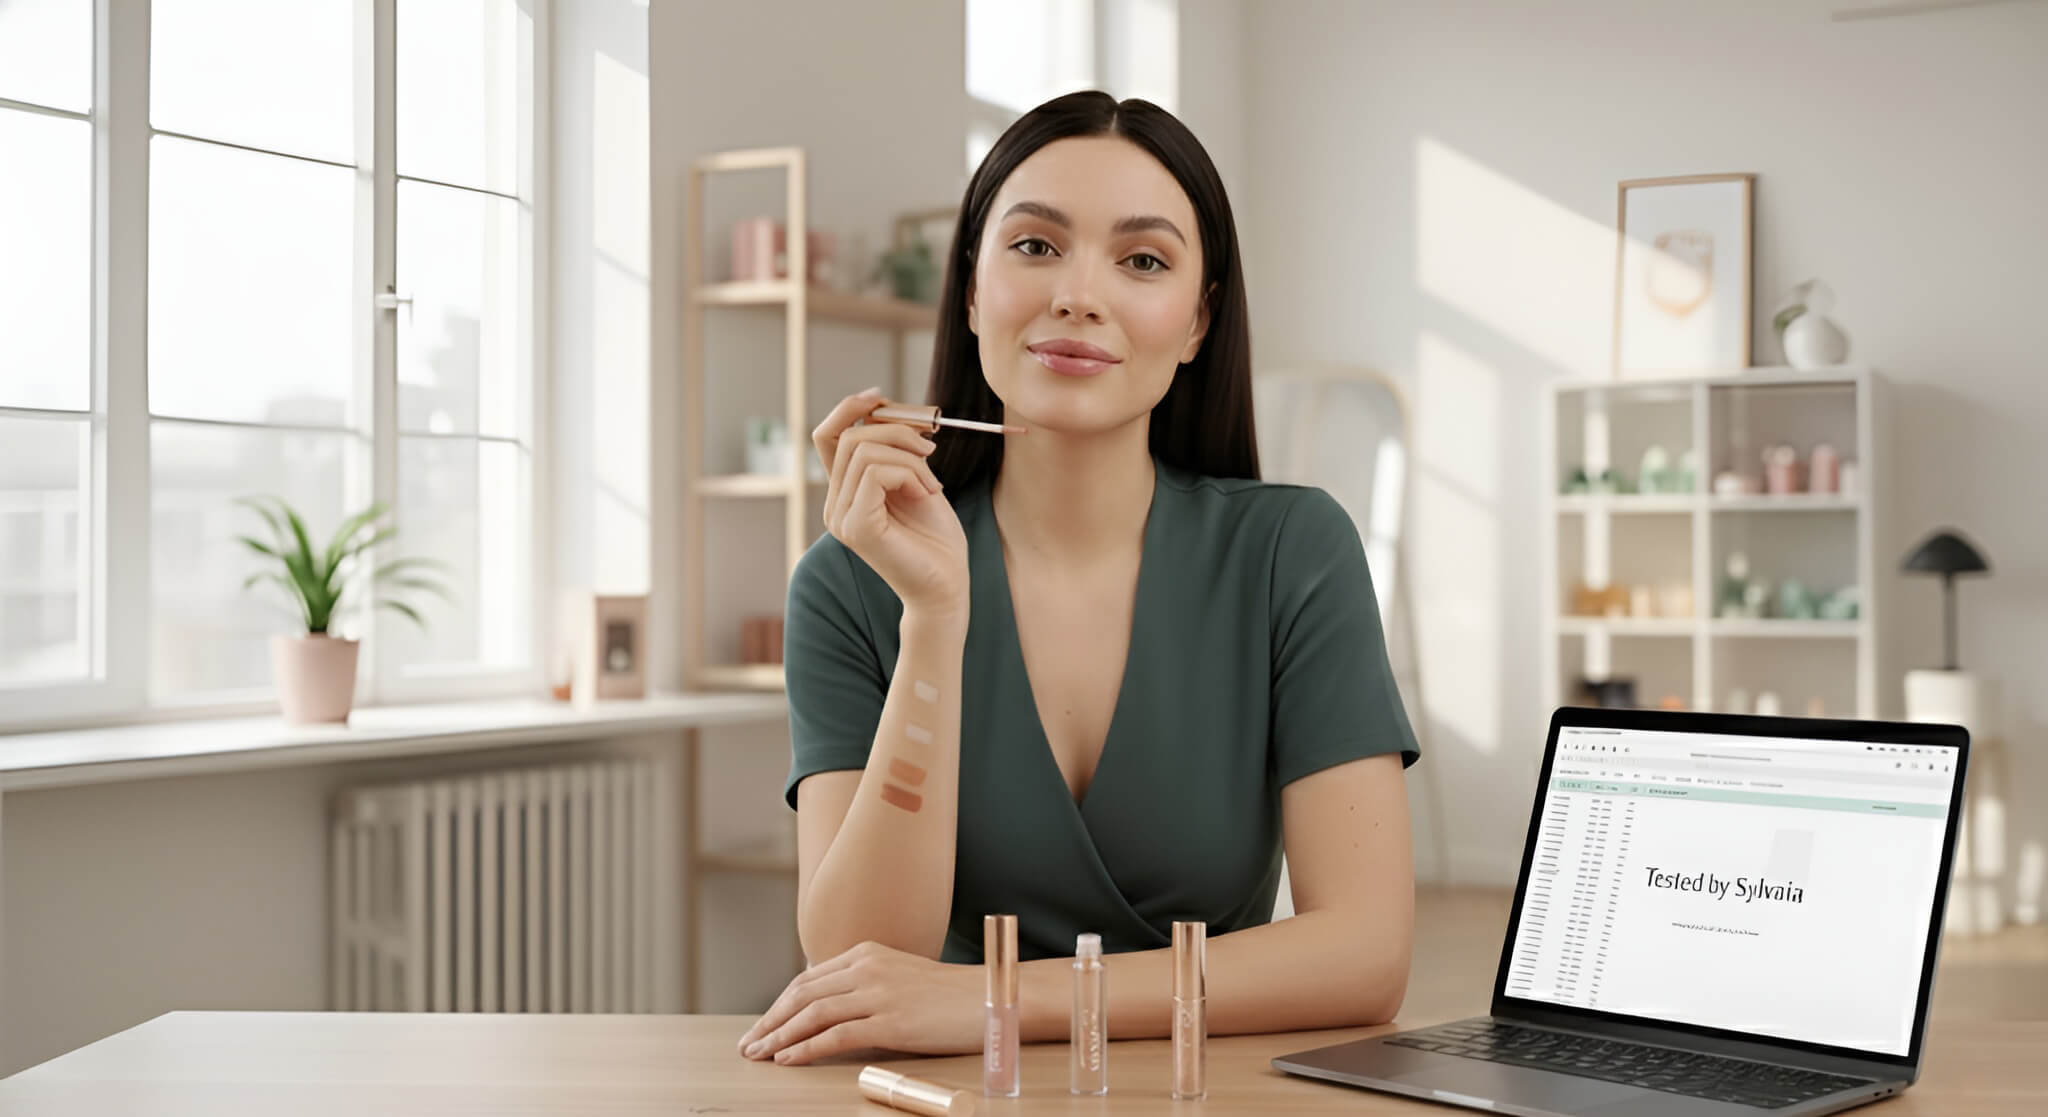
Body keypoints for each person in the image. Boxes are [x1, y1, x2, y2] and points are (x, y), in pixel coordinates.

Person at [739, 91, 1419, 1066]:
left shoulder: (1291, 552)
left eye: (1141, 260)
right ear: (970, 289)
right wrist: (931, 617)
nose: (1077, 294)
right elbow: (859, 963)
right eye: (1033, 246)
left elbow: (1363, 954)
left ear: (1196, 321)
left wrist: (995, 1001)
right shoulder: (848, 587)